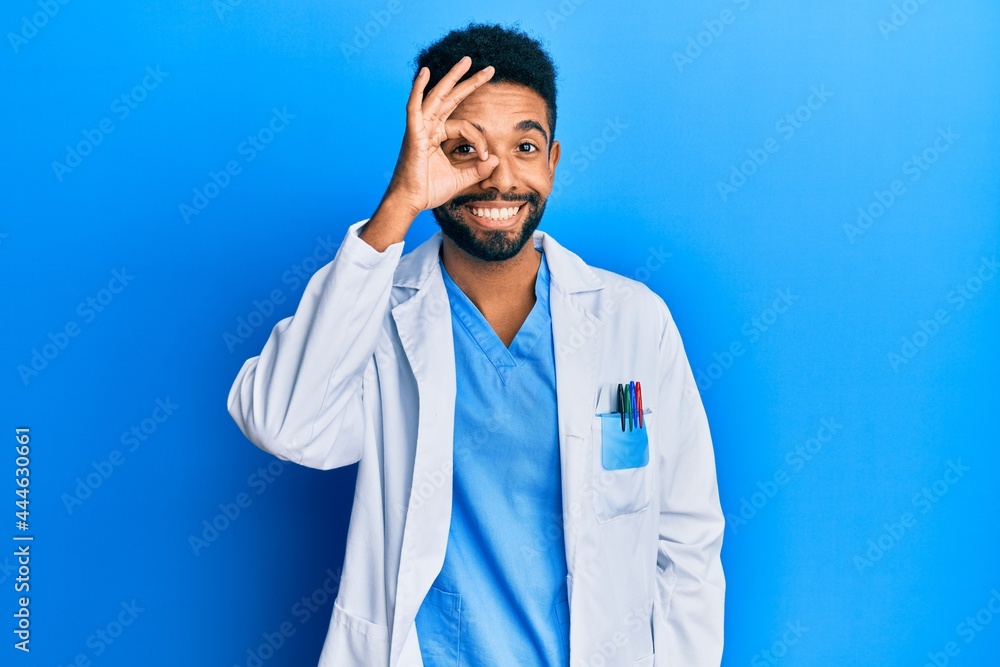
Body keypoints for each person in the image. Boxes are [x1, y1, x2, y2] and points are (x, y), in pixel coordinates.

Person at [227, 22, 725, 667]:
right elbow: (283, 425)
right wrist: (398, 206)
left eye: (524, 146)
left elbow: (685, 539)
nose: (499, 177)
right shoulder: (377, 317)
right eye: (465, 150)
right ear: (423, 156)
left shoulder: (632, 320)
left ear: (552, 162)